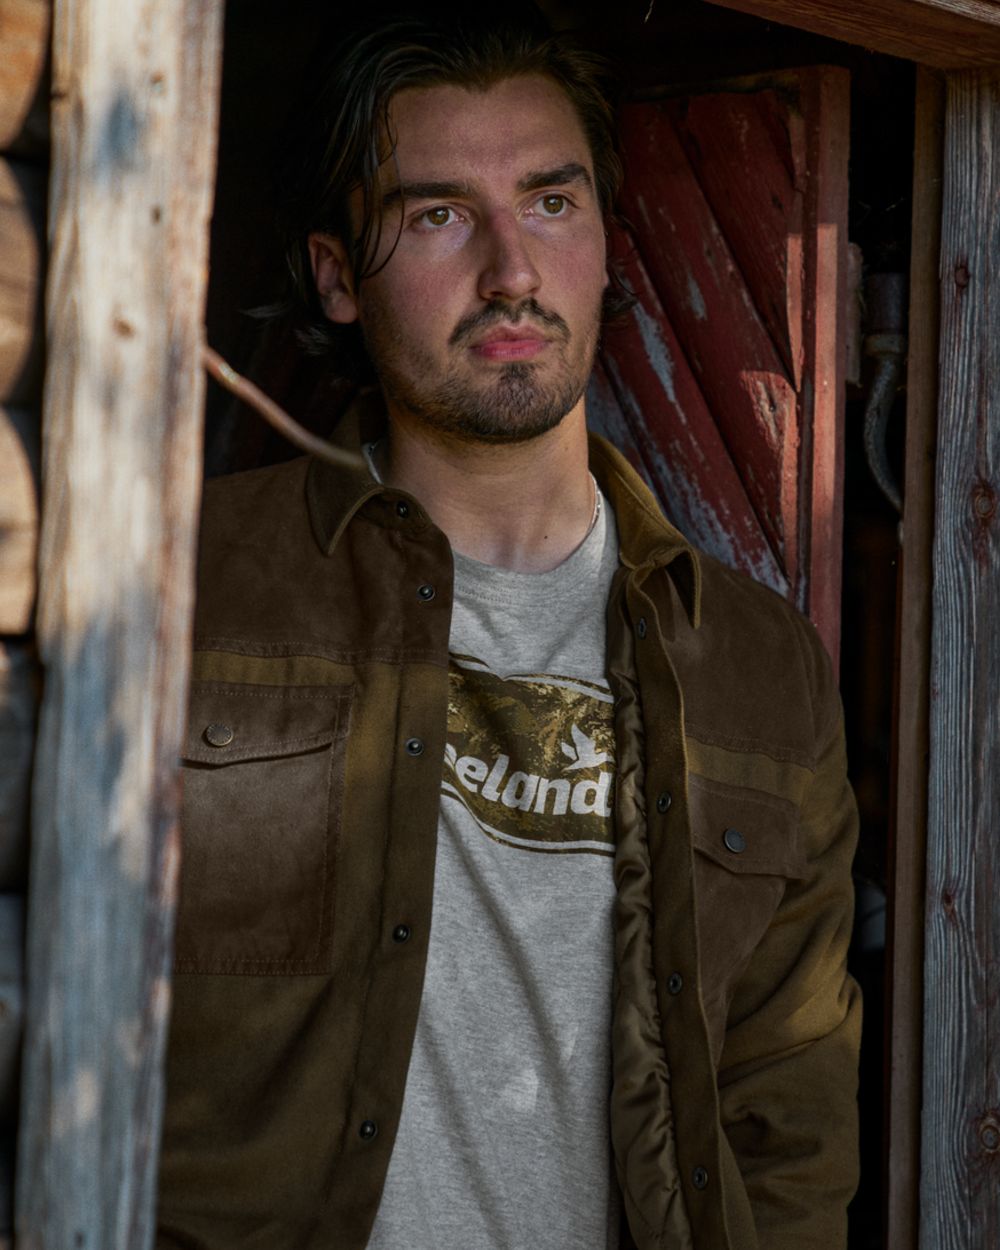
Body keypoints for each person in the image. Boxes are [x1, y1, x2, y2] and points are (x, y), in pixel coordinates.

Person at [157, 9, 861, 1249]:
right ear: (334, 273)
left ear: (602, 242)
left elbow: (787, 1109)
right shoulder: (187, 585)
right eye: (439, 214)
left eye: (549, 203)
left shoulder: (758, 668)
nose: (512, 272)